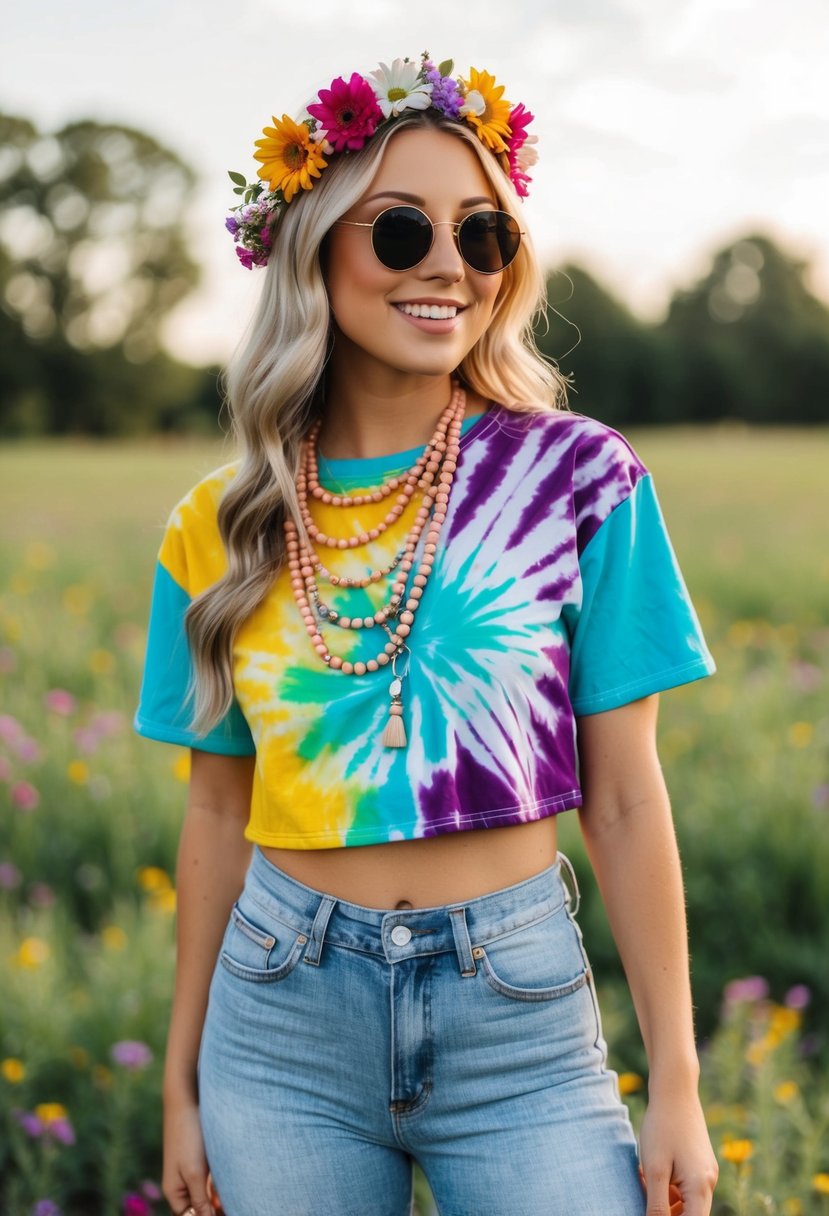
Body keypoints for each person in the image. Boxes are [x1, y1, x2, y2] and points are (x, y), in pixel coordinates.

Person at [135, 54, 719, 1216]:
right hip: (279, 1018)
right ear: (316, 249)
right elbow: (213, 810)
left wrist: (679, 1085)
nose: (449, 263)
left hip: (517, 1022)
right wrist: (181, 1084)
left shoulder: (580, 480)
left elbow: (625, 799)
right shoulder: (219, 524)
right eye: (400, 231)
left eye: (482, 234)